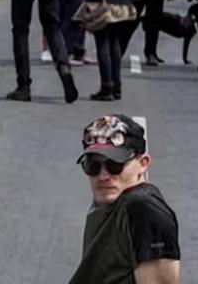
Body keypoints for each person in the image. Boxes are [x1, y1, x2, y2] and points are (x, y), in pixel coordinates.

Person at [69, 114, 181, 284]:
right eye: (93, 165)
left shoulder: (143, 209)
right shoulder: (113, 200)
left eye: (115, 164)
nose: (103, 176)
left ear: (143, 163)